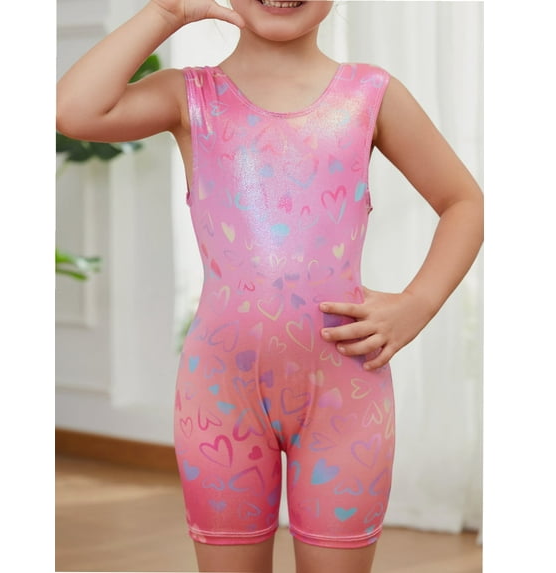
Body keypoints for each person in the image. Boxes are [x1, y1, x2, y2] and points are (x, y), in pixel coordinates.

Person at [56, 1, 484, 572]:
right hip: (219, 396)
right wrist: (164, 13)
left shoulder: (371, 94)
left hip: (344, 394)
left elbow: (464, 202)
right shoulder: (189, 95)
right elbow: (74, 112)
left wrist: (417, 303)